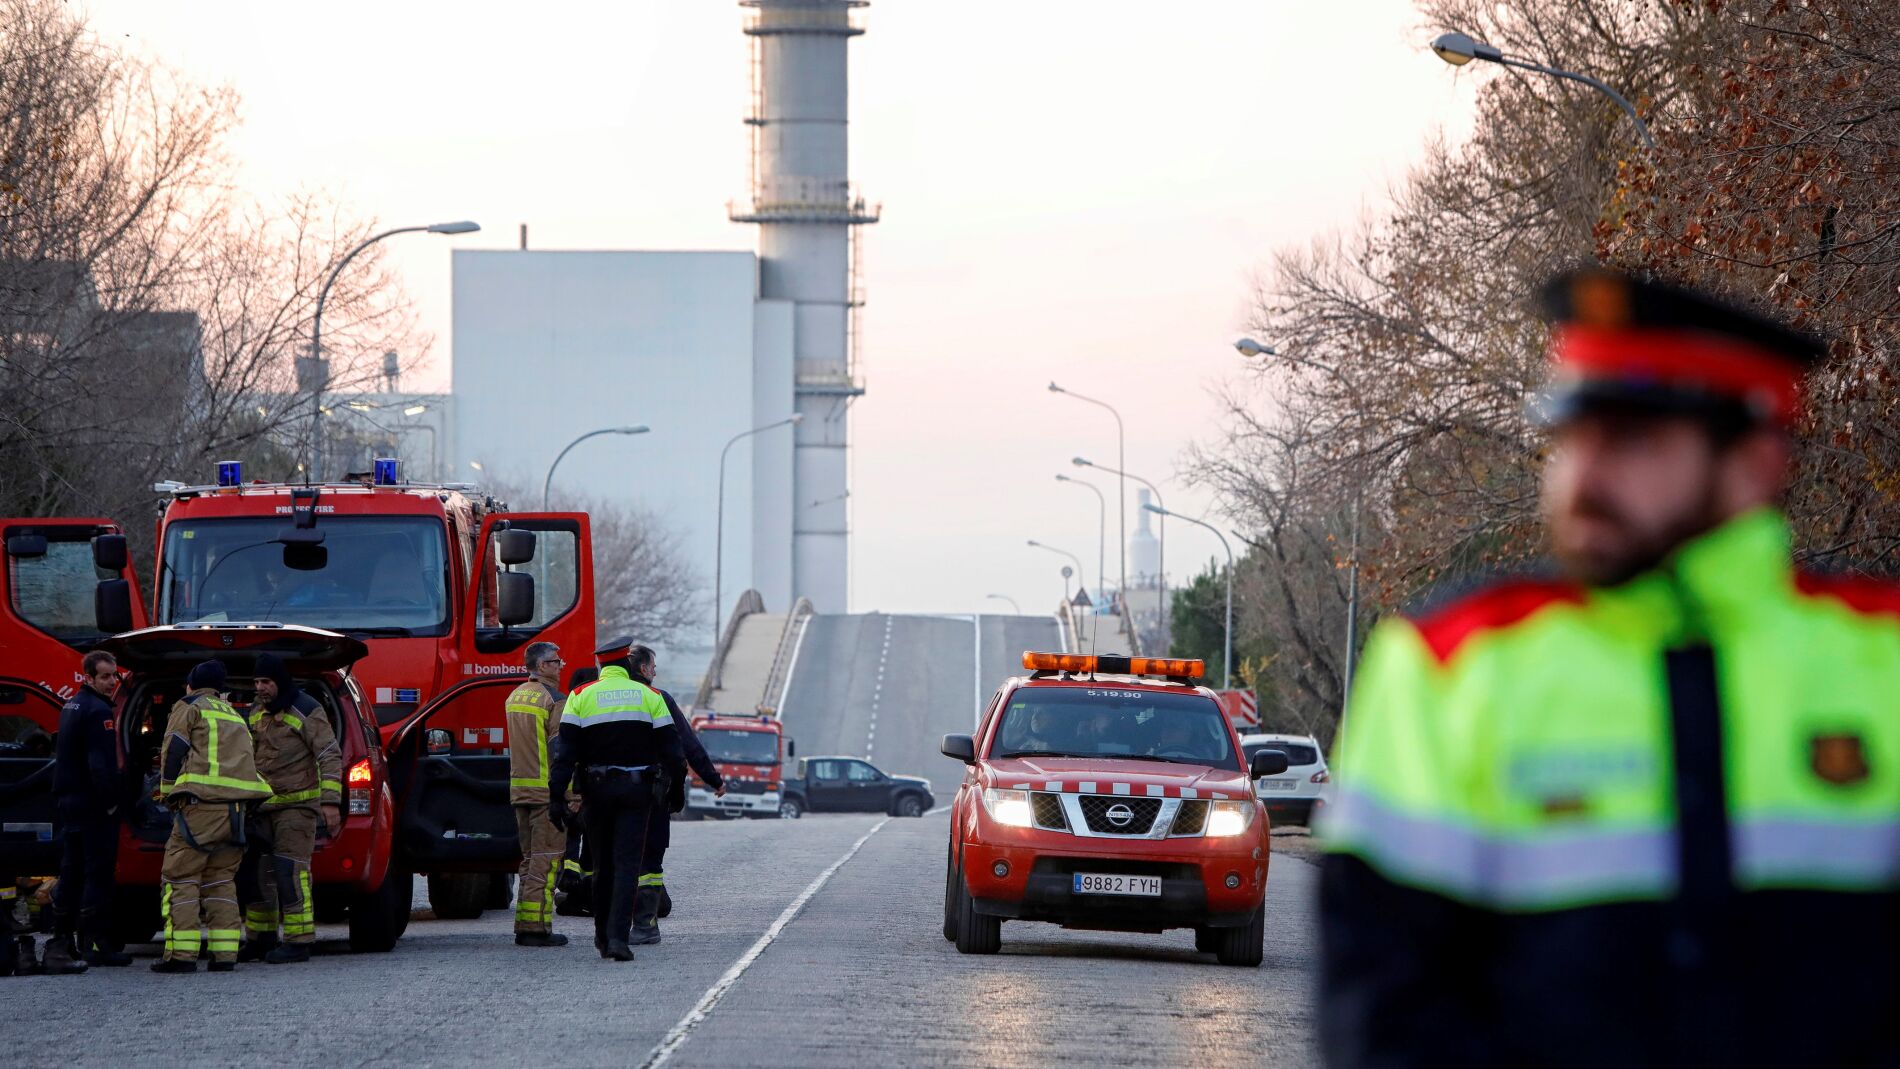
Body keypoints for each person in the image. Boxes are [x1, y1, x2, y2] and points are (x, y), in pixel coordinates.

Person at [1318, 267, 1900, 1066]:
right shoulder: (1450, 665)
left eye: (1634, 439)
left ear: (1757, 461)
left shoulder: (1880, 657)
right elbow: (1384, 1013)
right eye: (1574, 436)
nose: (1584, 478)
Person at [546, 636, 684, 961]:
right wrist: (676, 790)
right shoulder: (650, 696)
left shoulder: (580, 696)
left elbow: (564, 755)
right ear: (626, 663)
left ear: (601, 665)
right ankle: (619, 939)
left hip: (596, 792)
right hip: (637, 793)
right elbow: (673, 750)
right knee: (627, 865)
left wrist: (556, 798)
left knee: (601, 865)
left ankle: (602, 937)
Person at [154, 660, 271, 973]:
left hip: (199, 807)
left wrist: (166, 792)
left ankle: (181, 956)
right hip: (236, 811)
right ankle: (225, 956)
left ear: (192, 684)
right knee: (221, 881)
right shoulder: (233, 712)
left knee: (180, 878)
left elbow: (174, 748)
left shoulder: (189, 706)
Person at [236, 653, 341, 965]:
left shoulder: (307, 710)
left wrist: (330, 802)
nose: (260, 688)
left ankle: (298, 940)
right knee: (260, 873)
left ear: (279, 681)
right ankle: (260, 937)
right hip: (262, 808)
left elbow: (329, 755)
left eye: (265, 682)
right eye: (256, 682)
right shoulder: (257, 711)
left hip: (297, 807)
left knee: (289, 871)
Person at [626, 645, 724, 943]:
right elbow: (684, 746)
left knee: (615, 858)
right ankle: (645, 925)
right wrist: (711, 779)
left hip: (605, 793)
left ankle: (612, 929)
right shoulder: (657, 699)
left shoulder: (590, 697)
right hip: (650, 792)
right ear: (643, 669)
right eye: (652, 666)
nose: (655, 671)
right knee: (649, 861)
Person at [45, 650, 127, 973]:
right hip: (93, 805)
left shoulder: (71, 705)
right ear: (89, 677)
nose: (111, 682)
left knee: (72, 870)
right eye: (105, 676)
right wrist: (112, 802)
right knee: (98, 872)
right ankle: (95, 944)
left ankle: (62, 942)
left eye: (114, 675)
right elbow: (100, 766)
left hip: (71, 802)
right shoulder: (98, 712)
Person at [505, 641, 568, 947]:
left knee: (529, 860)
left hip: (520, 791)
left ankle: (525, 922)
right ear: (542, 666)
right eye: (557, 662)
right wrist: (572, 796)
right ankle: (535, 928)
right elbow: (561, 754)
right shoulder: (554, 700)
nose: (560, 666)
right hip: (545, 793)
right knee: (547, 860)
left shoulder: (515, 696)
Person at [554, 666, 598, 917]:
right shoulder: (583, 709)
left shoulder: (568, 706)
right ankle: (582, 889)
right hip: (582, 791)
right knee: (586, 843)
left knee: (572, 839)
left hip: (572, 790)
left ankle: (573, 885)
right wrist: (575, 795)